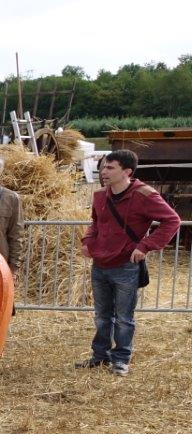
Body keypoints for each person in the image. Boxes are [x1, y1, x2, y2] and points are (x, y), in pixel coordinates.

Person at [76, 149, 180, 377]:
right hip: (100, 263)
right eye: (103, 166)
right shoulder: (100, 196)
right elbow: (96, 222)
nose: (103, 171)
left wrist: (145, 246)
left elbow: (172, 220)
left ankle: (121, 359)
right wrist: (88, 240)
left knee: (124, 318)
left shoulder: (144, 195)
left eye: (110, 167)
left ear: (127, 172)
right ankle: (99, 356)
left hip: (125, 266)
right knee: (102, 315)